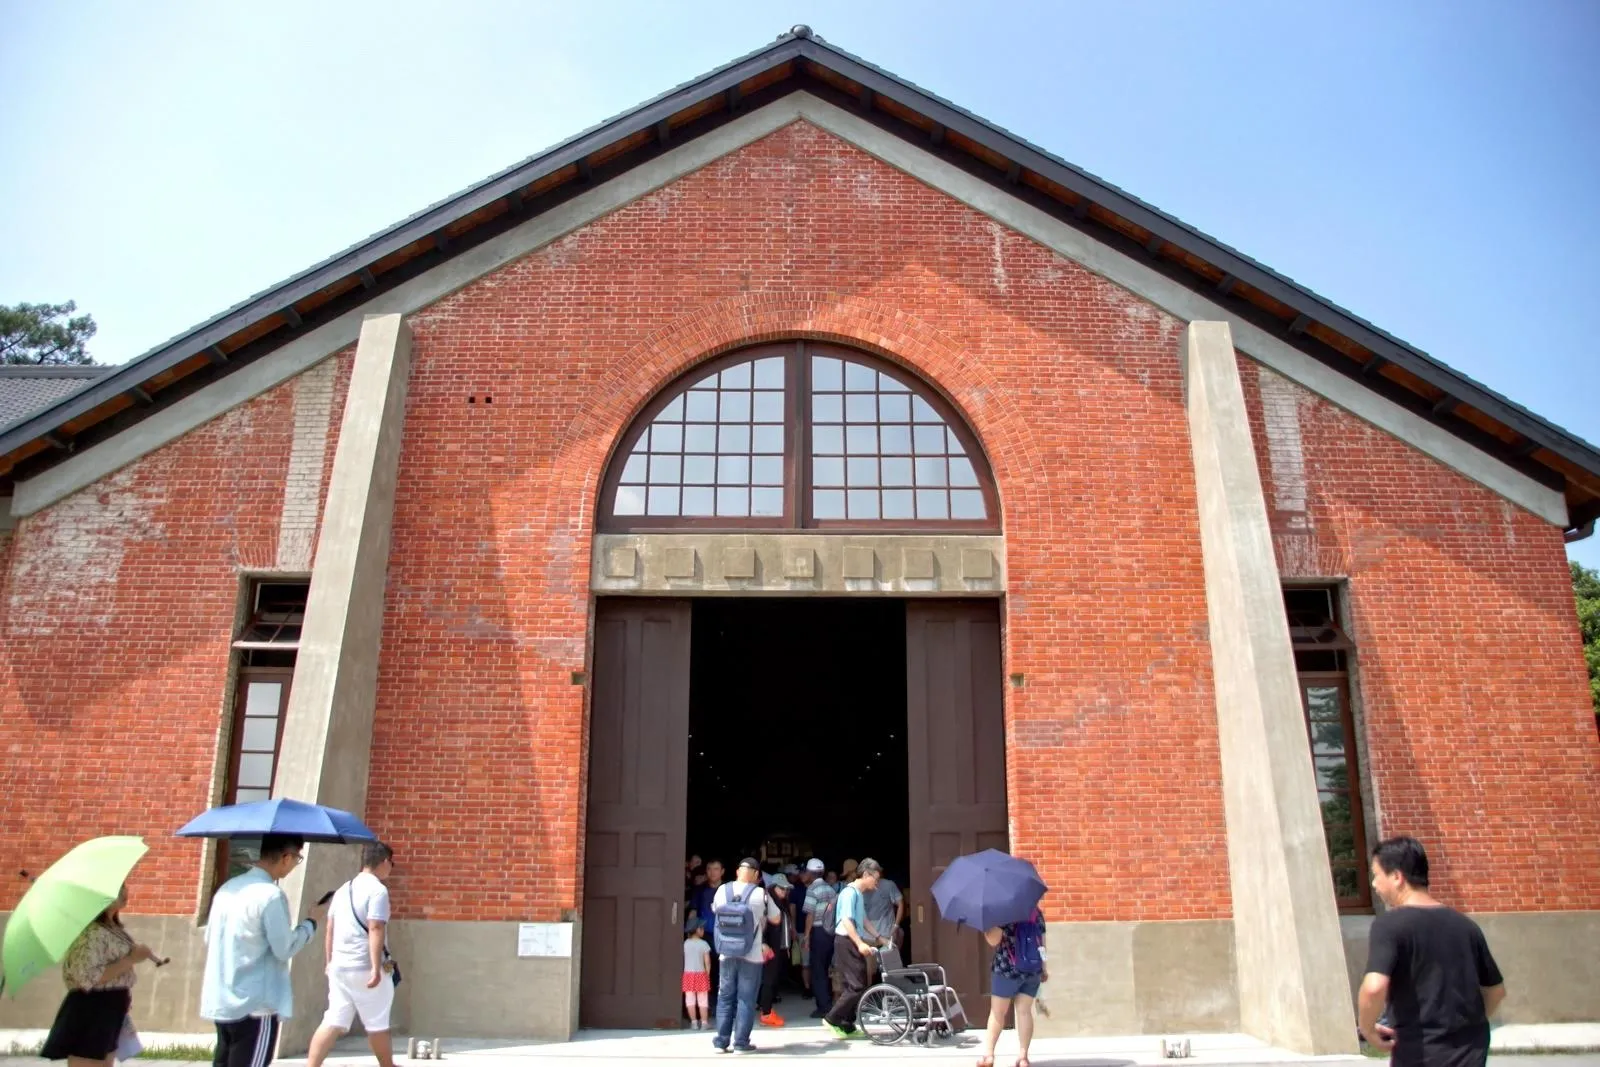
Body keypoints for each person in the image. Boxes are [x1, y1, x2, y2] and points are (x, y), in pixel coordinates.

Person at [1359, 837, 1506, 1067]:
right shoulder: (1466, 926)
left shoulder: (1389, 925)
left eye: (1377, 875)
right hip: (1471, 1052)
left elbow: (1374, 987)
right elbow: (1496, 990)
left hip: (1421, 1053)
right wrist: (1464, 1029)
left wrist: (1367, 1029)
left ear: (1397, 877)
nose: (1374, 884)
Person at [200, 834, 327, 1067]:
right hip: (256, 1005)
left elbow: (210, 937)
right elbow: (284, 948)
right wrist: (311, 923)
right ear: (286, 857)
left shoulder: (227, 888)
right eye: (297, 858)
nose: (294, 865)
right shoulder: (270, 895)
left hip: (223, 997)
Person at [40, 882, 165, 1065]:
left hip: (111, 1006)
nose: (125, 892)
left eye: (125, 886)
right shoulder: (91, 933)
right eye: (118, 887)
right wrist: (131, 959)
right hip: (92, 1007)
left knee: (106, 1062)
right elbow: (89, 977)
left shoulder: (112, 928)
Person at [306, 842, 398, 1067]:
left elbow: (330, 928)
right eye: (391, 863)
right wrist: (376, 968)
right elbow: (376, 927)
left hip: (340, 966)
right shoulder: (377, 890)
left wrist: (329, 962)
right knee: (377, 1022)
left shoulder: (343, 889)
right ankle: (387, 1065)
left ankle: (312, 1065)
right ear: (384, 861)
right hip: (364, 966)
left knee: (333, 1019)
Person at [710, 858, 780, 1054]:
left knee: (724, 997)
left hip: (726, 953)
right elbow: (776, 918)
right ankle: (741, 1043)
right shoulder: (760, 893)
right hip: (751, 955)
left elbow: (715, 910)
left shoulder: (722, 890)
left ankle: (721, 1042)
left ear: (737, 871)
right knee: (746, 999)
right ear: (757, 875)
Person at [979, 904, 1047, 1067]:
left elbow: (993, 941)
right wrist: (1044, 967)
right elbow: (1042, 942)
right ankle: (1023, 1057)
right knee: (1024, 1012)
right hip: (1032, 970)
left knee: (997, 1013)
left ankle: (989, 1055)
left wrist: (988, 926)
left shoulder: (1002, 912)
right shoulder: (1036, 912)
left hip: (1006, 970)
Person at [823, 857, 882, 1040]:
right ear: (866, 875)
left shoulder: (858, 893)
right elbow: (846, 921)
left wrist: (879, 937)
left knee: (859, 983)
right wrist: (860, 943)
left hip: (853, 940)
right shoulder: (849, 893)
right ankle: (832, 1019)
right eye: (876, 879)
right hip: (846, 940)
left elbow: (862, 919)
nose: (877, 884)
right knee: (856, 985)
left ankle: (847, 1024)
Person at [801, 858, 837, 1018]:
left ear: (810, 873)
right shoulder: (831, 889)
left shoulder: (812, 889)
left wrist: (807, 936)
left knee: (818, 970)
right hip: (831, 932)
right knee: (826, 967)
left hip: (818, 931)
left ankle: (823, 1007)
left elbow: (810, 914)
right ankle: (829, 1002)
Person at [756, 875, 793, 1027]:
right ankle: (766, 1013)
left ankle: (767, 1010)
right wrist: (764, 943)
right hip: (769, 948)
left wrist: (787, 946)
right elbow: (761, 925)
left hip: (779, 947)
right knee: (768, 980)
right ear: (772, 888)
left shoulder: (782, 903)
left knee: (772, 980)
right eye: (781, 888)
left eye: (786, 888)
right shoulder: (767, 903)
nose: (784, 891)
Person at [691, 859, 726, 999]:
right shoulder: (700, 890)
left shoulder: (728, 889)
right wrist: (691, 933)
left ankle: (724, 1002)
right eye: (709, 869)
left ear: (722, 871)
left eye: (716, 869)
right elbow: (693, 911)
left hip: (724, 935)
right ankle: (705, 1002)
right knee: (704, 969)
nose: (713, 872)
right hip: (704, 934)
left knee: (723, 970)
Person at [682, 920, 712, 1031]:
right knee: (703, 999)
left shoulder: (685, 943)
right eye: (702, 928)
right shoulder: (704, 944)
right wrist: (707, 974)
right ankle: (704, 1023)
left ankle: (694, 1023)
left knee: (689, 999)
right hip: (701, 974)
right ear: (697, 930)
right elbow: (707, 962)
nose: (703, 930)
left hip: (688, 974)